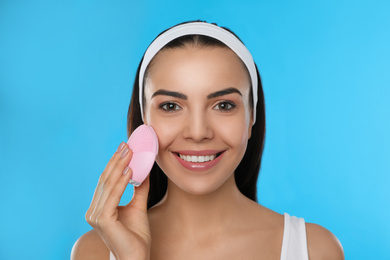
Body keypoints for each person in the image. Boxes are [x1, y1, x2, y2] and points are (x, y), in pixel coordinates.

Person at [71, 20, 344, 260]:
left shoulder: (314, 250)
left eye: (224, 105)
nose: (198, 132)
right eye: (170, 106)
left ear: (251, 118)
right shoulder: (95, 252)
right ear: (144, 122)